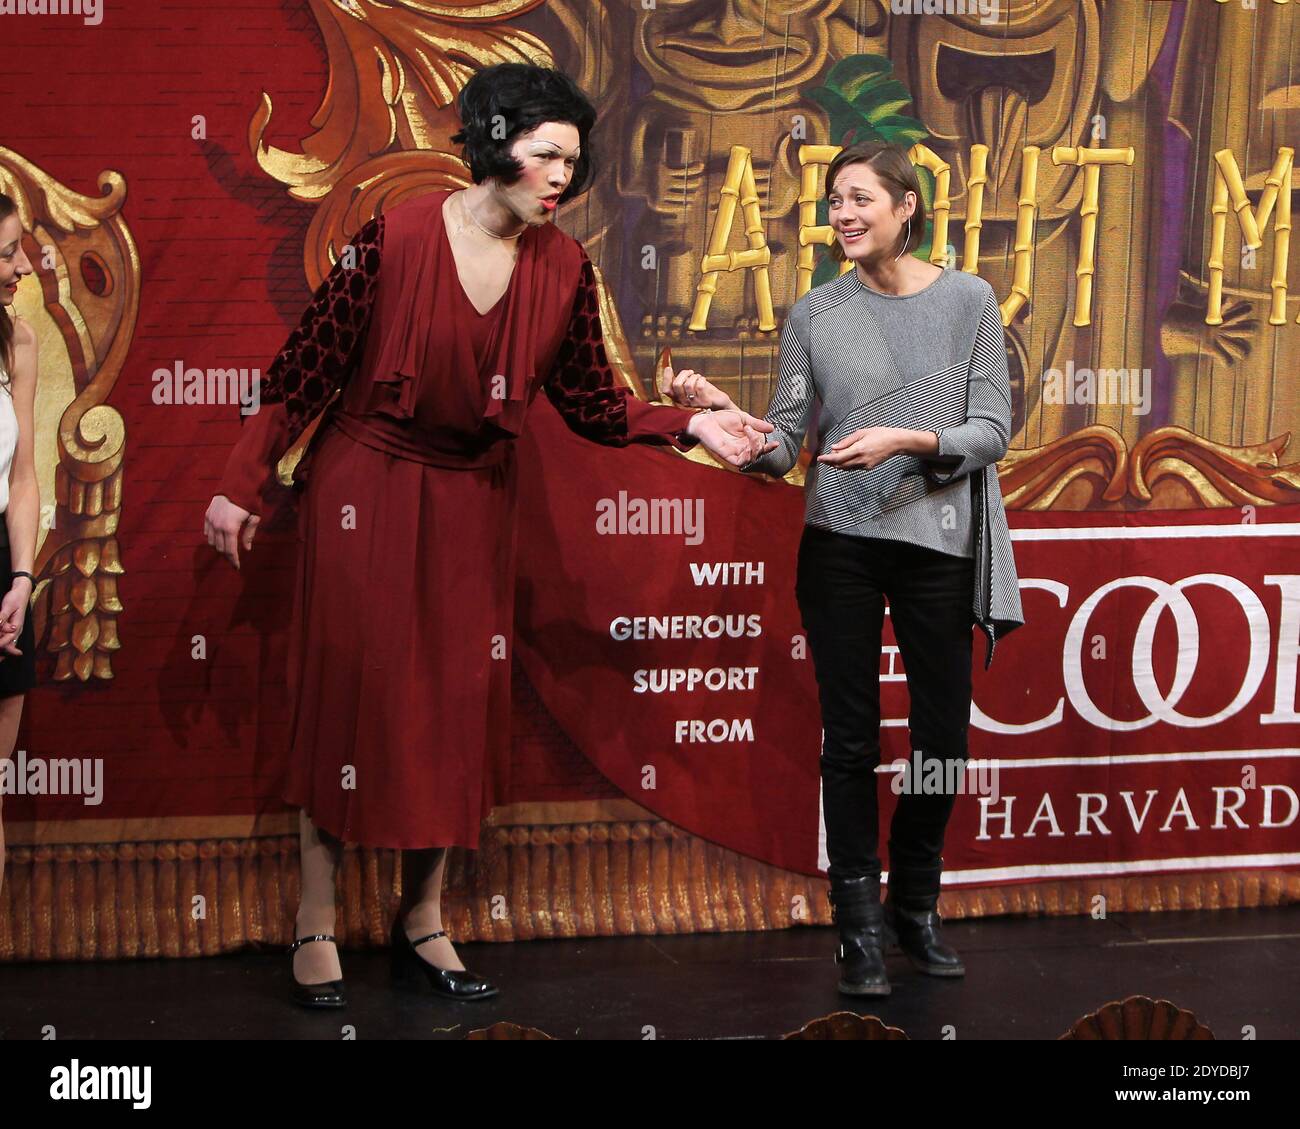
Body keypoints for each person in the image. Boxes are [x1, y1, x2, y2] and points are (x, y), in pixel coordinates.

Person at [203, 62, 773, 1007]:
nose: (562, 177)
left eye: (573, 163)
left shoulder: (566, 270)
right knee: (349, 697)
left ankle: (423, 921)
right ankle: (315, 919)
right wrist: (239, 484)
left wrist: (695, 426)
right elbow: (305, 367)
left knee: (452, 710)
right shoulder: (396, 235)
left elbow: (594, 405)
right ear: (496, 142)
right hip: (366, 487)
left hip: (473, 502)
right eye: (547, 154)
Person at [664, 141, 1024, 996]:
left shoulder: (970, 300)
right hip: (842, 544)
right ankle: (857, 924)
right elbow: (785, 444)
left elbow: (992, 431)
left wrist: (906, 438)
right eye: (834, 201)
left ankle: (917, 904)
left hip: (939, 542)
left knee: (943, 740)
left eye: (861, 198)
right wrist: (728, 419)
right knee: (851, 737)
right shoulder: (814, 314)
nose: (844, 215)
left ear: (907, 205)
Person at [0, 193, 40, 899]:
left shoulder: (19, 342)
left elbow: (24, 475)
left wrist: (22, 579)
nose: (23, 267)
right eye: (8, 253)